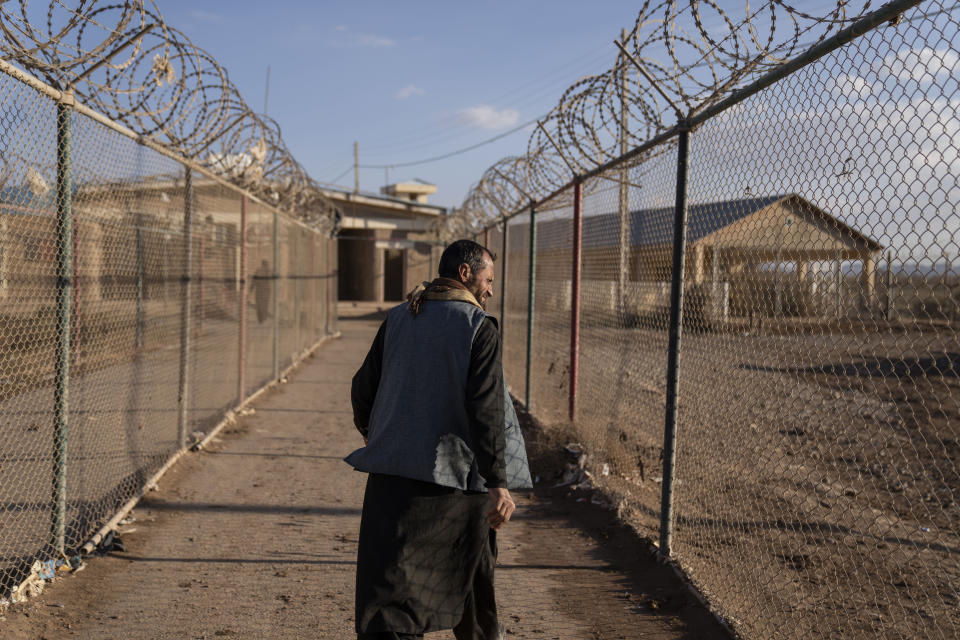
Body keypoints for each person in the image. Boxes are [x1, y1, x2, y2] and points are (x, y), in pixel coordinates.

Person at [347, 239, 532, 640]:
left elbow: (363, 390)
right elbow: (486, 412)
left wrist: (383, 437)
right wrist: (498, 483)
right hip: (455, 485)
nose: (490, 289)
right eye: (488, 279)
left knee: (393, 595)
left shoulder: (398, 317)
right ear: (465, 274)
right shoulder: (476, 327)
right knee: (471, 579)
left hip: (392, 482)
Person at [252, 259, 272, 324]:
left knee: (259, 304)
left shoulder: (257, 271)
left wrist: (251, 289)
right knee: (265, 304)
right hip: (266, 290)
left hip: (259, 290)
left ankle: (260, 318)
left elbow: (254, 281)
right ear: (266, 264)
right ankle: (263, 317)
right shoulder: (268, 271)